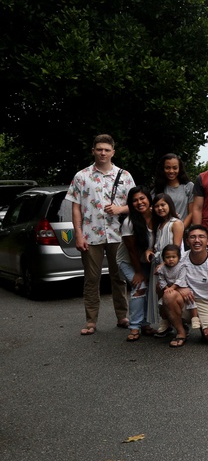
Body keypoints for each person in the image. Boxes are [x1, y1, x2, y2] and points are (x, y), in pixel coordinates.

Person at [67, 133, 134, 335]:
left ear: (113, 152)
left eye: (106, 149)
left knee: (119, 277)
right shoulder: (81, 176)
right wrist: (78, 234)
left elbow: (137, 204)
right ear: (93, 151)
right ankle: (91, 321)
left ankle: (122, 316)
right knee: (91, 279)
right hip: (90, 234)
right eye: (99, 149)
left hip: (118, 234)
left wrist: (119, 209)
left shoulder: (125, 175)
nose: (103, 153)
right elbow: (76, 207)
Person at [161, 225, 208, 347]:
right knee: (168, 296)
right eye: (192, 237)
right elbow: (162, 282)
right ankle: (181, 331)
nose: (197, 240)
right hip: (186, 301)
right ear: (187, 241)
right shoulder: (179, 260)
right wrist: (180, 288)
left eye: (201, 237)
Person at [117, 187, 155, 341]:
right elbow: (132, 251)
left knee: (148, 290)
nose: (139, 202)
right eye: (135, 200)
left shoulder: (156, 216)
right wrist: (138, 272)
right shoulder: (129, 222)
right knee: (140, 287)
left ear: (149, 199)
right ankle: (134, 327)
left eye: (142, 198)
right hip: (128, 261)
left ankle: (145, 324)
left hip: (146, 261)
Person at [148, 193, 185, 335]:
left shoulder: (176, 223)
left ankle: (178, 323)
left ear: (169, 205)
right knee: (160, 293)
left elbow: (176, 248)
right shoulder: (158, 225)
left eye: (163, 205)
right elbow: (156, 244)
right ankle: (165, 320)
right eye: (156, 206)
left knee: (170, 292)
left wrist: (164, 263)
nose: (160, 208)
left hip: (171, 265)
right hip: (158, 264)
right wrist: (149, 251)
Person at [155, 244, 198, 334]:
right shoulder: (162, 269)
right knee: (162, 303)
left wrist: (172, 288)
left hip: (182, 287)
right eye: (168, 257)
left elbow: (180, 279)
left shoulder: (181, 266)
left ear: (178, 257)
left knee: (190, 300)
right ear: (163, 258)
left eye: (174, 257)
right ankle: (165, 320)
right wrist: (167, 288)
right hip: (168, 289)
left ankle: (195, 318)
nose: (171, 259)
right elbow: (161, 279)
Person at [152, 153, 194, 225]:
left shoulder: (188, 186)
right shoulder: (156, 189)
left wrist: (180, 229)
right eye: (167, 168)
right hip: (163, 231)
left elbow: (192, 213)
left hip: (183, 231)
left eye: (175, 168)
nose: (171, 171)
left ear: (179, 168)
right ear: (163, 168)